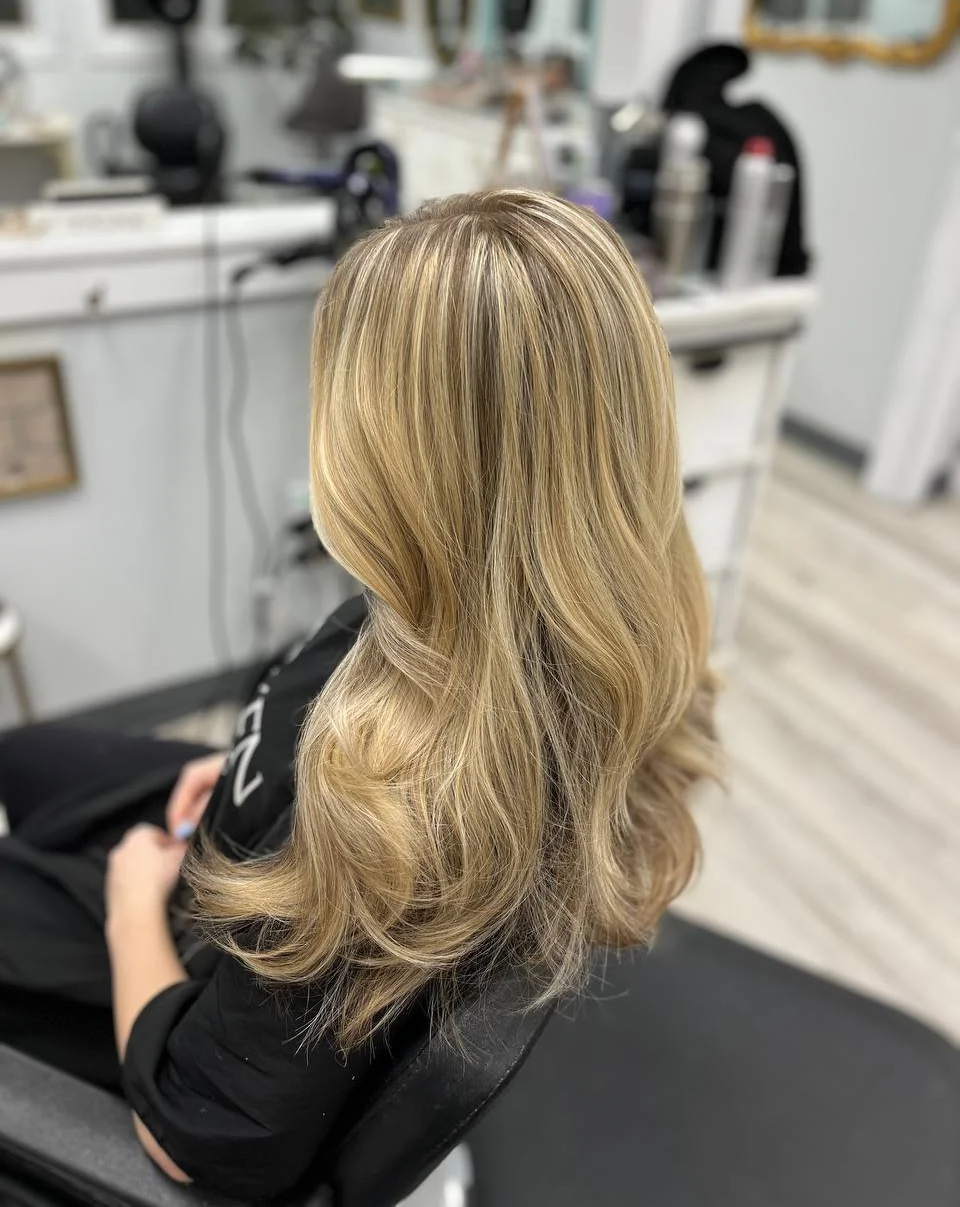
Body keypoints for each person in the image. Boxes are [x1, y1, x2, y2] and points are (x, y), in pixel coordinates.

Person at [0, 189, 719, 1199]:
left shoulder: (394, 819)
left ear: (399, 461)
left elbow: (202, 1135)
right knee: (24, 758)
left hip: (188, 939)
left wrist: (129, 904)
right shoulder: (611, 631)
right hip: (248, 823)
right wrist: (251, 762)